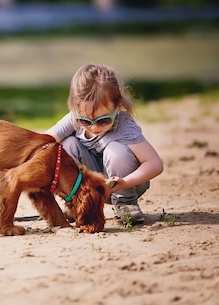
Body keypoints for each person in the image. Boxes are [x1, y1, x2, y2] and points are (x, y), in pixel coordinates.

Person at [45, 64, 163, 224]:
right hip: (90, 186)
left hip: (124, 185)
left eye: (103, 120)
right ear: (75, 109)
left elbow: (155, 163)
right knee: (65, 145)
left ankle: (126, 204)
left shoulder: (125, 126)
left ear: (118, 107)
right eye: (85, 121)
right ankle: (77, 201)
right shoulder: (73, 119)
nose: (94, 127)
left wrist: (126, 183)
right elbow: (44, 141)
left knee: (116, 150)